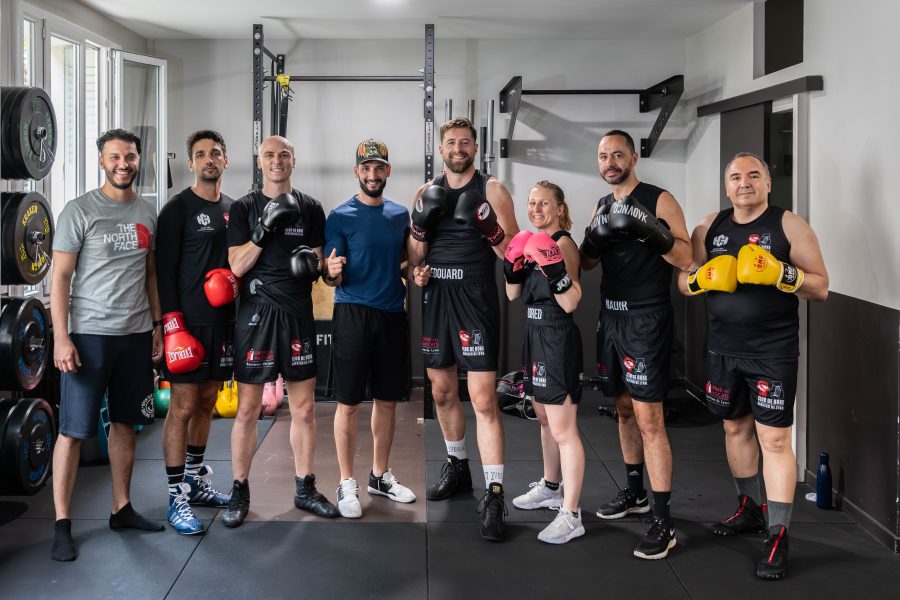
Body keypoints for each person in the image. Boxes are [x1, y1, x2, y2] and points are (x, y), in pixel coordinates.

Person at [678, 152, 828, 579]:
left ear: (767, 184)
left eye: (754, 175)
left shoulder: (789, 225)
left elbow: (821, 286)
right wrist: (701, 279)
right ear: (726, 186)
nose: (744, 183)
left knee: (775, 440)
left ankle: (778, 534)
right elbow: (684, 283)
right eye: (735, 176)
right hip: (723, 348)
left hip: (772, 350)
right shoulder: (710, 227)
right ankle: (749, 507)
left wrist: (783, 272)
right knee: (733, 427)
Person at [50, 129, 165, 561]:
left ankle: (122, 507)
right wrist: (61, 337)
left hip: (134, 335)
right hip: (89, 336)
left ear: (139, 160)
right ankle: (63, 523)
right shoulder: (79, 211)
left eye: (130, 157)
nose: (123, 164)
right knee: (73, 432)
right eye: (115, 157)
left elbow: (150, 273)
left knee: (125, 424)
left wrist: (156, 324)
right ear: (101, 161)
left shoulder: (147, 212)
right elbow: (59, 278)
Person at [579, 129, 692, 559]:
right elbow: (590, 262)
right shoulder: (602, 204)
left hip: (646, 317)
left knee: (650, 420)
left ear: (634, 157)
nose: (610, 162)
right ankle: (634, 492)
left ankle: (662, 520)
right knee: (623, 408)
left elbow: (685, 257)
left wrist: (652, 233)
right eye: (604, 156)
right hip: (610, 316)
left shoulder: (659, 199)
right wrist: (596, 237)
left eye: (618, 155)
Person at [408, 117, 519, 541]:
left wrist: (487, 225)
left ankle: (494, 492)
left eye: (465, 142)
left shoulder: (492, 189)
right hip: (436, 294)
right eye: (451, 142)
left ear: (475, 147)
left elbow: (512, 254)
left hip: (475, 295)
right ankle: (457, 466)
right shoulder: (425, 190)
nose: (458, 148)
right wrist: (420, 227)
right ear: (441, 150)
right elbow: (415, 254)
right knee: (440, 391)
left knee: (484, 399)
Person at [224, 135, 338, 527]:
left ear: (294, 160)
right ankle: (239, 491)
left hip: (297, 313)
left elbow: (322, 266)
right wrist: (264, 227)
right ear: (260, 161)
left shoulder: (311, 208)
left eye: (284, 154)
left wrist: (321, 268)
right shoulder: (243, 208)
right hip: (256, 314)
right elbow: (237, 266)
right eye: (270, 155)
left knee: (305, 409)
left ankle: (305, 488)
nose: (277, 161)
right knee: (248, 409)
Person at [323, 139, 416, 518]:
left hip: (392, 314)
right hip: (352, 314)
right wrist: (330, 273)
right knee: (347, 403)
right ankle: (347, 481)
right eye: (366, 168)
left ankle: (379, 475)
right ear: (357, 172)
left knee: (387, 400)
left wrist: (416, 270)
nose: (373, 174)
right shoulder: (340, 216)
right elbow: (330, 271)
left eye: (379, 168)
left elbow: (409, 260)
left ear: (388, 171)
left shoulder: (399, 215)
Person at [156, 130, 236, 535]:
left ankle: (195, 481)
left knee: (207, 401)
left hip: (222, 323)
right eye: (201, 154)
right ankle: (175, 497)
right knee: (182, 405)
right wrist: (170, 323)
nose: (209, 159)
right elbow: (162, 270)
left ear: (225, 160)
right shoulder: (177, 209)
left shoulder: (234, 209)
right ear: (190, 163)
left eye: (215, 153)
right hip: (186, 324)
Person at [505, 181, 586, 544]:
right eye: (532, 203)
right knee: (542, 419)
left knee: (564, 429)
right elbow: (513, 294)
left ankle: (572, 513)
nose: (537, 209)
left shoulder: (564, 244)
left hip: (556, 336)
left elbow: (571, 303)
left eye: (544, 203)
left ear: (558, 208)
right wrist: (512, 265)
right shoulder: (530, 242)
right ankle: (551, 487)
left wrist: (554, 267)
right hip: (533, 334)